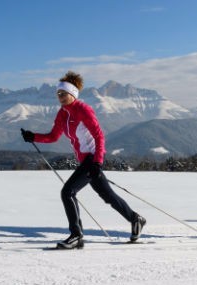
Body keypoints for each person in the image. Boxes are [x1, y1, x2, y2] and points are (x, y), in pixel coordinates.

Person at [21, 71, 146, 249]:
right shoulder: (62, 114)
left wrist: (97, 162)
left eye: (63, 94)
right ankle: (136, 219)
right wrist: (33, 136)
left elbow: (99, 136)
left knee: (67, 192)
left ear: (73, 94)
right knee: (108, 195)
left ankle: (76, 235)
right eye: (58, 94)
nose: (60, 97)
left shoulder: (83, 110)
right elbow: (54, 136)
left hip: (91, 159)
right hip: (85, 160)